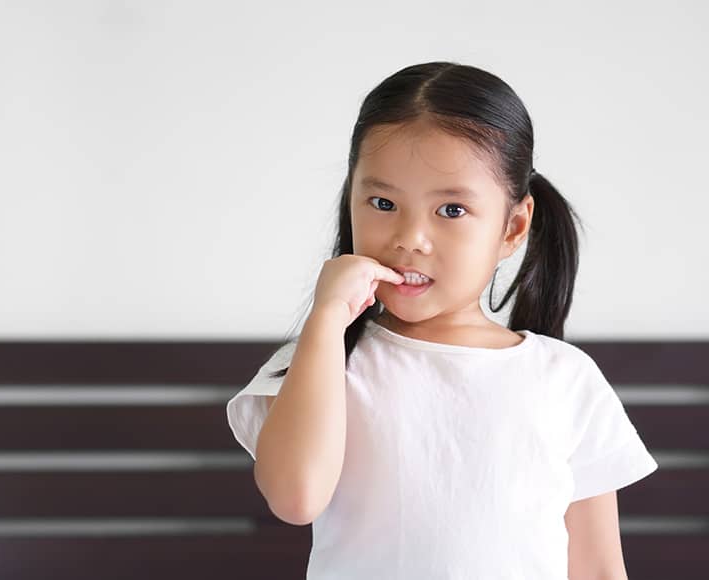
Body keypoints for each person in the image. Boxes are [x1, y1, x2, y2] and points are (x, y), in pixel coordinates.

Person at [225, 61, 658, 579]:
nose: (410, 238)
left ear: (513, 226)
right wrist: (325, 321)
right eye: (383, 202)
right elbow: (296, 497)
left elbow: (597, 567)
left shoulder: (564, 378)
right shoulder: (323, 360)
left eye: (451, 210)